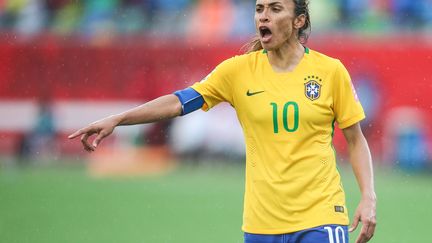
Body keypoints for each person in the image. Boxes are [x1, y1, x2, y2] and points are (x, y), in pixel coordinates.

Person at [68, 0, 377, 242]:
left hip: (321, 216)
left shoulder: (330, 72)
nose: (263, 17)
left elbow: (355, 140)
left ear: (299, 20)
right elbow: (180, 102)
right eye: (259, 9)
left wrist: (368, 197)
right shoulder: (237, 71)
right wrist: (118, 119)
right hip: (261, 223)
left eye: (275, 9)